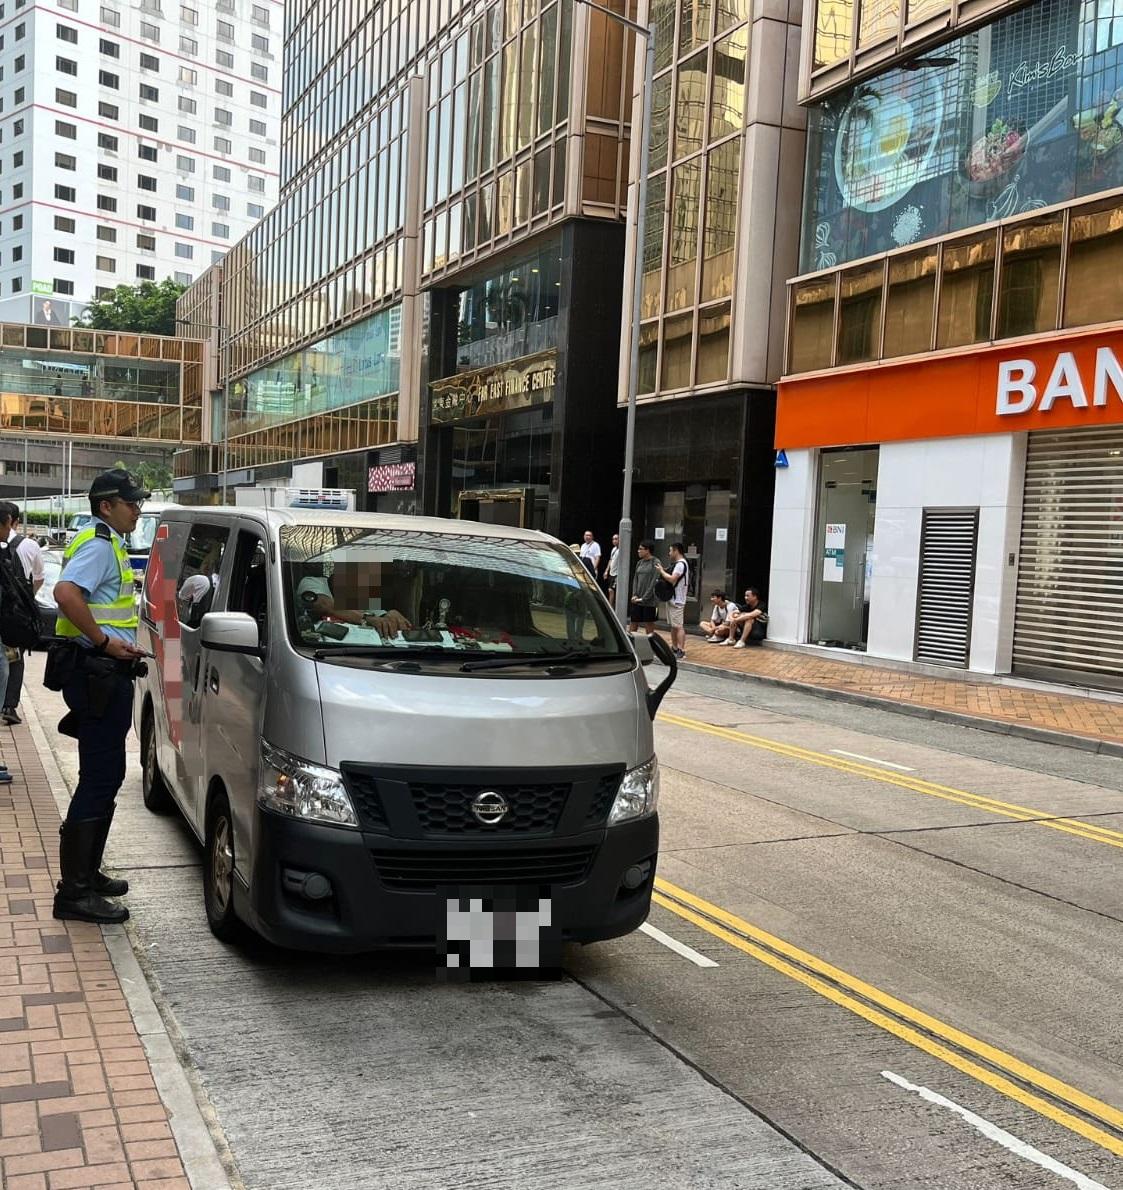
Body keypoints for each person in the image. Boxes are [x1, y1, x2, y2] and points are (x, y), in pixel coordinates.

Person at [49, 469, 152, 925]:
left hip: (102, 672)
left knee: (106, 775)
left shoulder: (106, 540)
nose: (138, 510)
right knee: (100, 776)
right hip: (98, 672)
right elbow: (66, 592)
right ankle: (74, 892)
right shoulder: (97, 543)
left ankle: (87, 874)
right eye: (132, 503)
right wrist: (105, 642)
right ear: (106, 505)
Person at [1, 503, 45, 726]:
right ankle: (9, 705)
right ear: (14, 521)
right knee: (14, 659)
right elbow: (38, 578)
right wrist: (26, 600)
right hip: (13, 616)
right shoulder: (29, 546)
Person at [295, 569, 411, 638]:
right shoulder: (312, 582)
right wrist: (366, 619)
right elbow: (323, 604)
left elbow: (379, 616)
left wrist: (390, 615)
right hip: (315, 649)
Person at [655, 542, 689, 659]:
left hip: (677, 600)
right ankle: (674, 647)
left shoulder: (680, 564)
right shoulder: (679, 564)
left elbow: (672, 579)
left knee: (678, 626)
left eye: (670, 551)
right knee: (674, 626)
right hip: (673, 599)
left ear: (676, 551)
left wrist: (661, 572)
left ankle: (681, 649)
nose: (669, 553)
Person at [628, 540, 660, 636]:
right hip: (637, 599)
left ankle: (650, 646)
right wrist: (634, 595)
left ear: (648, 550)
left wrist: (644, 598)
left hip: (650, 601)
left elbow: (654, 582)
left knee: (649, 624)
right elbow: (635, 580)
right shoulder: (639, 563)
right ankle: (631, 644)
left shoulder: (655, 562)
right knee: (633, 622)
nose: (638, 551)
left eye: (641, 549)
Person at [604, 533, 620, 600]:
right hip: (611, 573)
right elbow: (610, 560)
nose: (614, 541)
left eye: (616, 539)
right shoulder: (613, 549)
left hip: (617, 573)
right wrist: (606, 571)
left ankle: (612, 608)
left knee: (611, 590)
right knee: (610, 590)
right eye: (613, 539)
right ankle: (612, 607)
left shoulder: (621, 550)